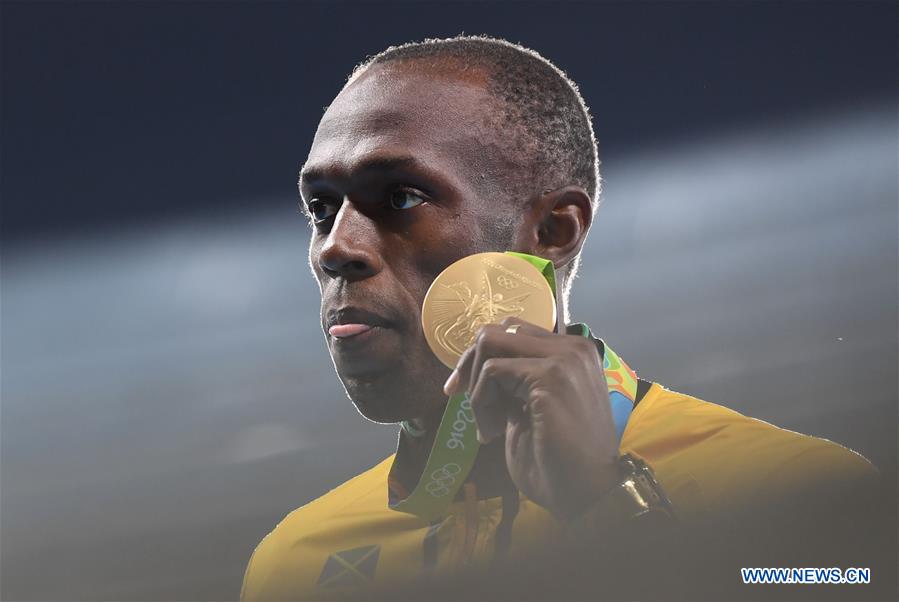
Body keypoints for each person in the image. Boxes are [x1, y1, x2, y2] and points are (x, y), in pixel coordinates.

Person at [240, 35, 881, 601]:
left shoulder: (797, 490)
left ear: (551, 230)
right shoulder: (292, 562)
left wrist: (604, 505)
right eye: (321, 208)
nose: (335, 246)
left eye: (401, 197)